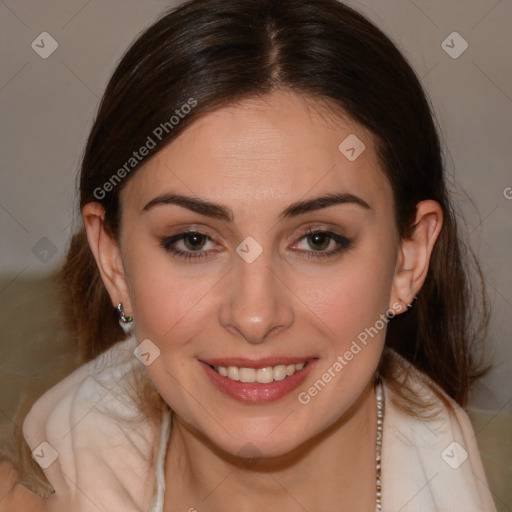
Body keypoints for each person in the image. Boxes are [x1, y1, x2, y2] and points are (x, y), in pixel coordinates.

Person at [0, 0, 497, 510]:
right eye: (193, 240)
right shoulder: (57, 458)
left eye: (318, 240)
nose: (255, 316)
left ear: (408, 259)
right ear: (113, 261)